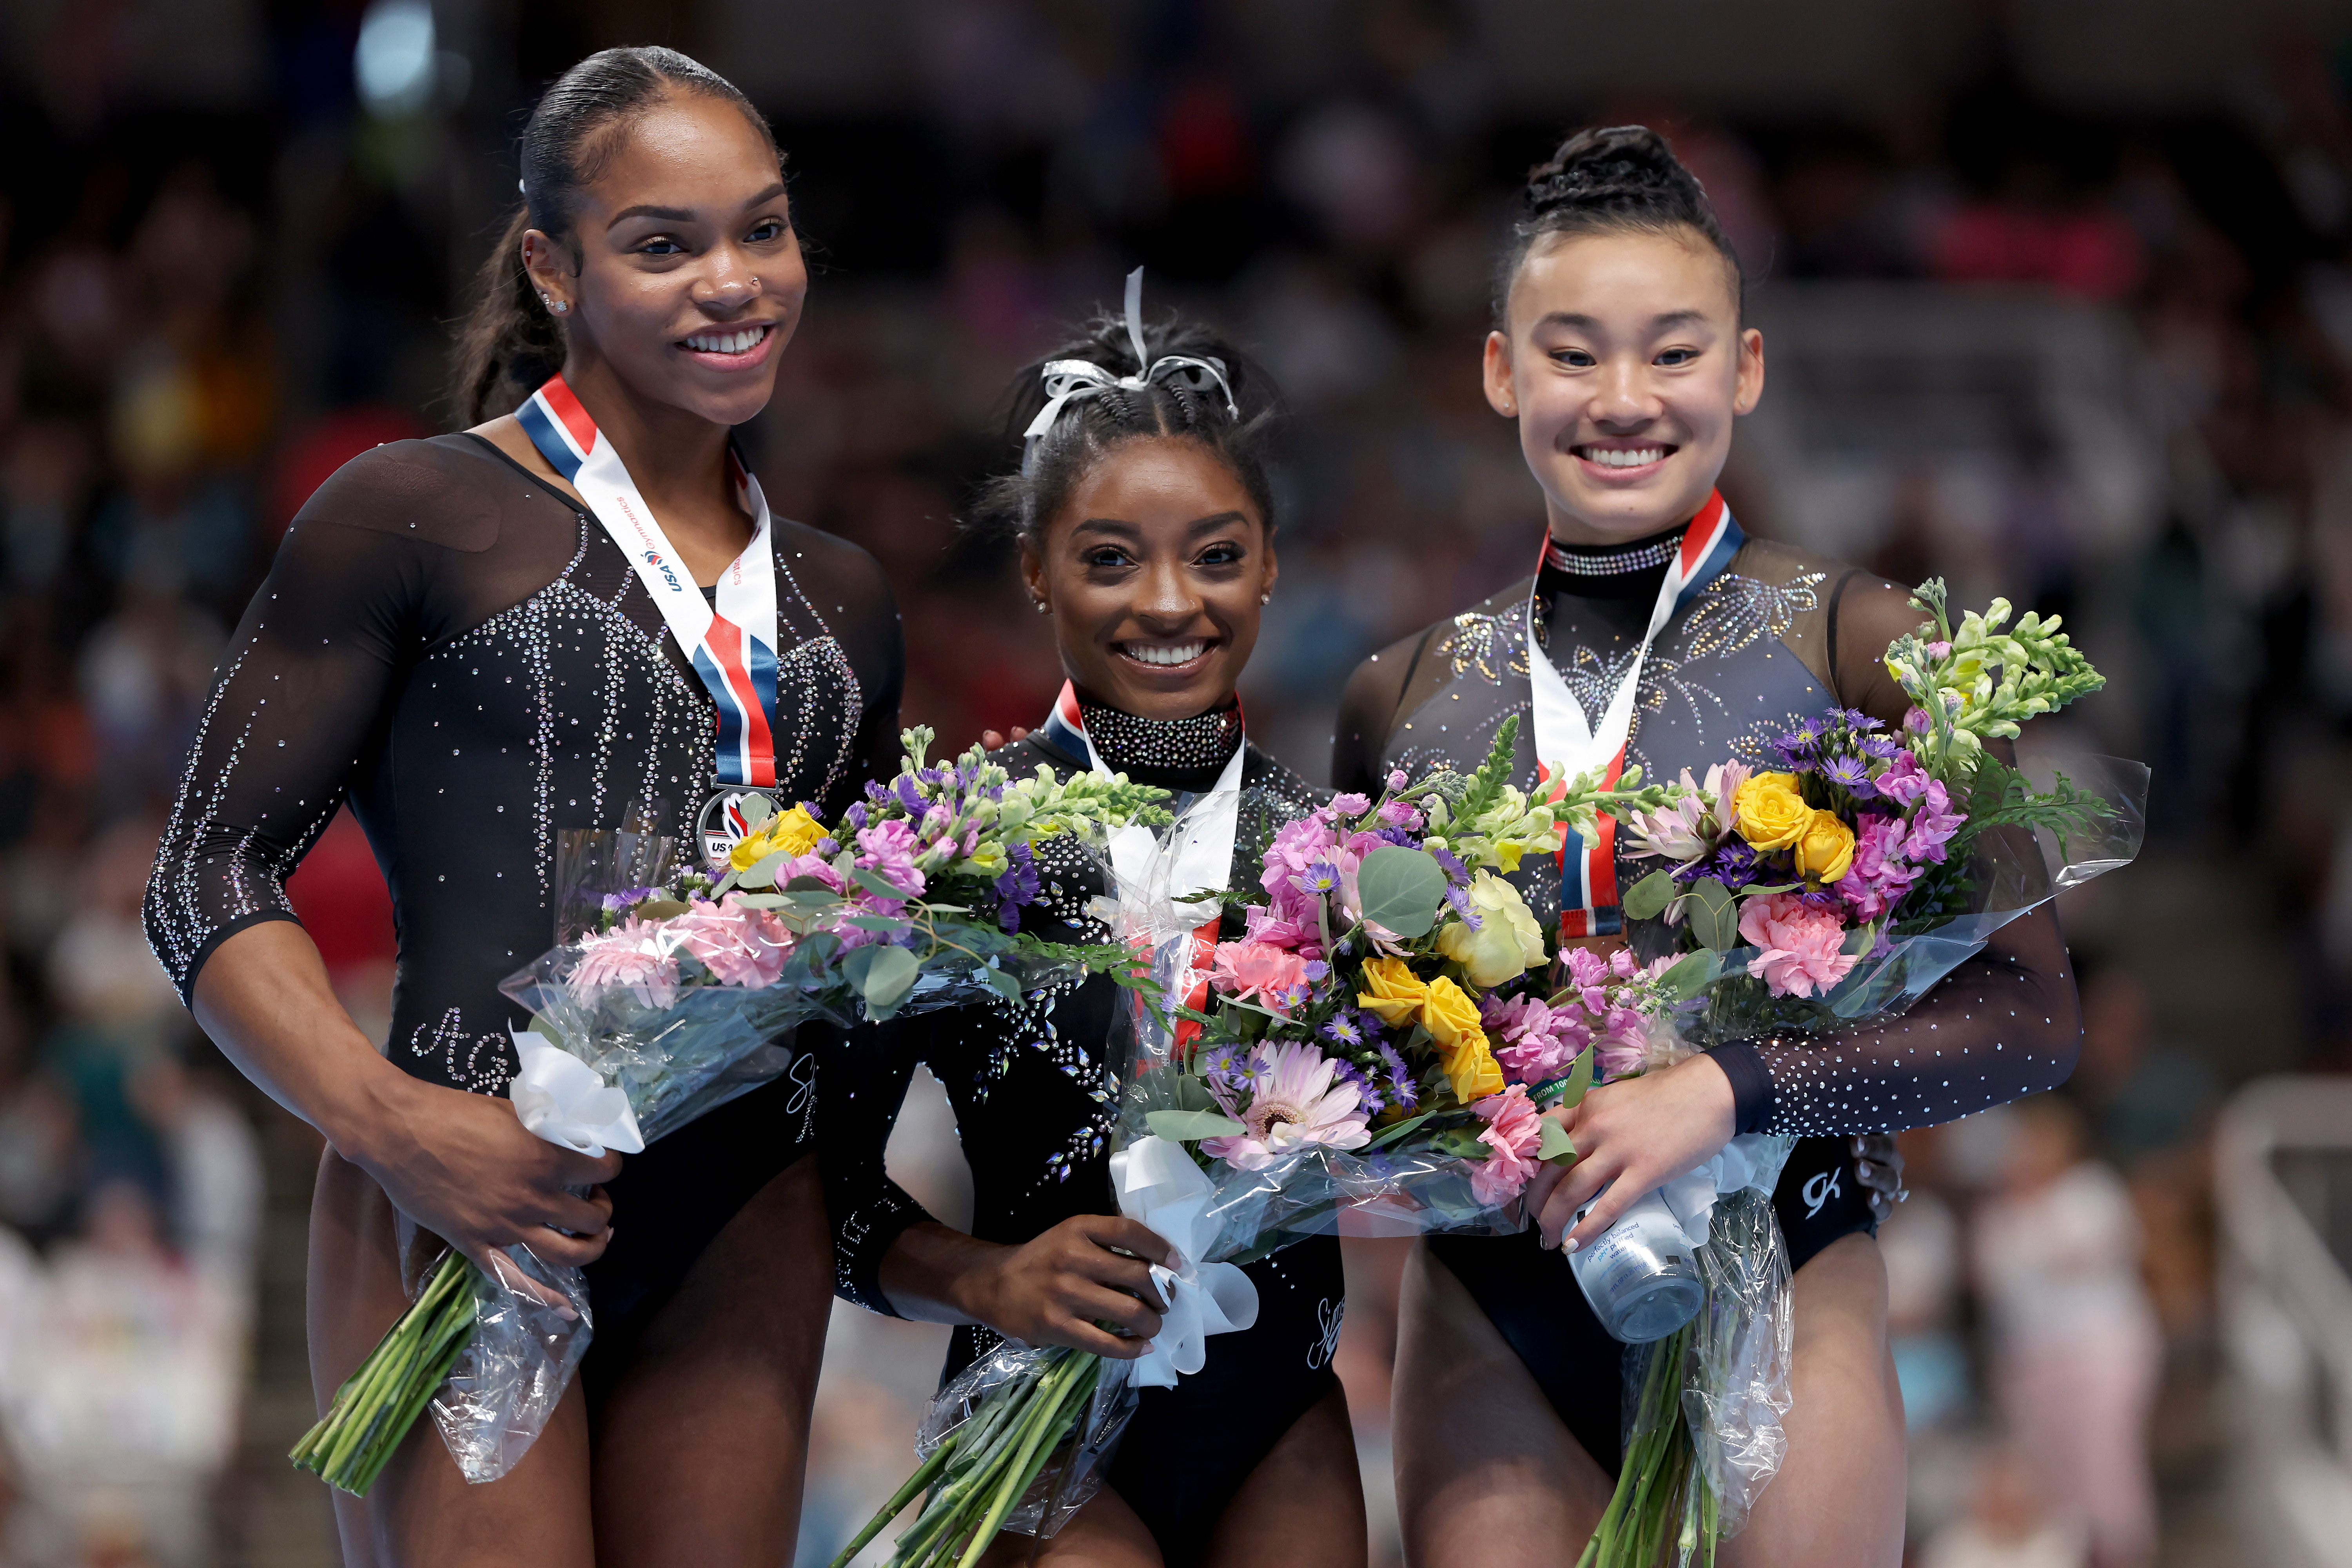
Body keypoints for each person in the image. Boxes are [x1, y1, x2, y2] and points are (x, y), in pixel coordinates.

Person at [141, 47, 902, 1567]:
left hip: (745, 1230)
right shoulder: (413, 512)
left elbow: (862, 984)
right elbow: (204, 874)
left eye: (764, 229)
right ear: (550, 264)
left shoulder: (843, 599)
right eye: (664, 243)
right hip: (462, 1193)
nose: (732, 280)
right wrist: (394, 1125)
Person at [1332, 125, 2082, 1567]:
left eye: (1671, 353)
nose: (1623, 399)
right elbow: (1366, 1028)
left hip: (1790, 1263)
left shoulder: (1863, 640)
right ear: (1500, 371)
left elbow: (2030, 1017)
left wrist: (1727, 1085)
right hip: (1499, 1297)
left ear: (1742, 367)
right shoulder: (1405, 690)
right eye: (1572, 354)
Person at [822, 284, 1365, 1568]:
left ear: (1272, 563)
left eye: (1217, 555)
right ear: (1035, 570)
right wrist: (982, 1279)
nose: (1169, 602)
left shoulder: (1350, 860)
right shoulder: (954, 850)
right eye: (1110, 558)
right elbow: (819, 1189)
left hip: (1280, 1416)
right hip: (1035, 1412)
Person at [1972, 1097, 2159, 1568]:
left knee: (2105, 1463)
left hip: (2102, 1346)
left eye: (2034, 1143)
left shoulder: (2093, 1191)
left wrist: (2034, 1211)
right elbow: (1986, 1284)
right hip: (2031, 1356)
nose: (2023, 1154)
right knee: (2049, 1475)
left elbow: (2077, 1258)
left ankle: (2124, 1554)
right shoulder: (1995, 1215)